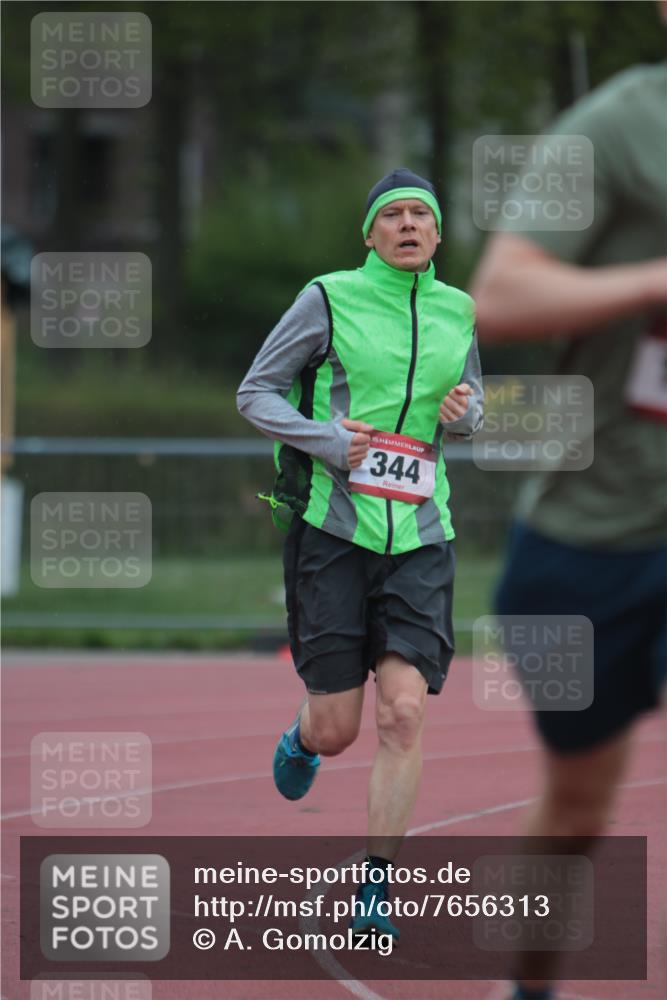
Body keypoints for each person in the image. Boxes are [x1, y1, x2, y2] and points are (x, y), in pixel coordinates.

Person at [237, 168, 483, 940]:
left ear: (438, 235)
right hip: (333, 533)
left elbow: (468, 408)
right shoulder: (327, 298)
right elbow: (256, 393)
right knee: (340, 728)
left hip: (419, 534)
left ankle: (374, 888)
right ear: (370, 234)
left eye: (422, 214)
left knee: (404, 713)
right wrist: (331, 444)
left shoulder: (459, 309)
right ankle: (303, 736)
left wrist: (468, 413)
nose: (409, 224)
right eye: (393, 215)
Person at [470, 57, 667, 1000]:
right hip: (594, 530)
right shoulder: (615, 126)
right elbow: (498, 296)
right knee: (578, 807)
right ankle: (528, 987)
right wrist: (653, 282)